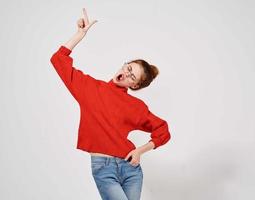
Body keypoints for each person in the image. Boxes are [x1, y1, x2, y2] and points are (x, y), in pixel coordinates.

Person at [50, 8, 171, 200]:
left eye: (133, 76)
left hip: (131, 169)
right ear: (124, 65)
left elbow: (163, 130)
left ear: (135, 85)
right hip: (103, 168)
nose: (127, 73)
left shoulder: (136, 106)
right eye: (128, 68)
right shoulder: (90, 88)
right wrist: (79, 35)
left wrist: (140, 150)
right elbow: (58, 60)